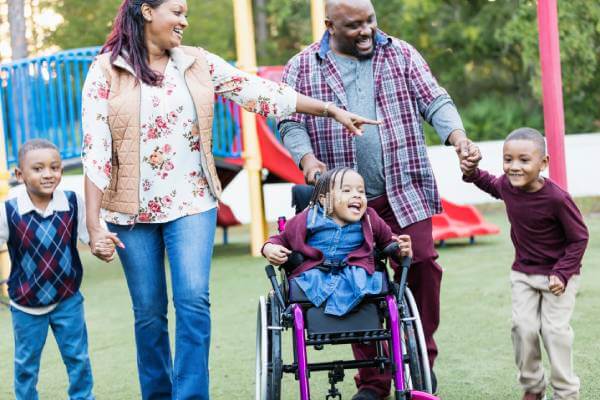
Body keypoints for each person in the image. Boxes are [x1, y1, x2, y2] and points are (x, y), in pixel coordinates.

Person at [81, 1, 380, 398]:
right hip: (128, 211)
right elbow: (96, 147)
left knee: (192, 301)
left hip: (192, 201)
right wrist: (93, 222)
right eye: (177, 12)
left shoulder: (196, 62)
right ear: (147, 12)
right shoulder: (106, 70)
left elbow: (259, 92)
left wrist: (328, 109)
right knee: (149, 314)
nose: (185, 21)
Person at [278, 0, 481, 398]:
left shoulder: (400, 53)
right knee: (351, 282)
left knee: (421, 266)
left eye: (370, 20)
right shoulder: (302, 66)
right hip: (343, 205)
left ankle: (421, 359)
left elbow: (434, 100)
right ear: (330, 26)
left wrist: (458, 138)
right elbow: (289, 120)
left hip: (404, 189)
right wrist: (307, 160)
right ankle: (374, 381)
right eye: (354, 25)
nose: (367, 30)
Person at [462, 128, 588, 400]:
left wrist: (562, 273)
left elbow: (579, 238)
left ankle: (566, 393)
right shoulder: (507, 187)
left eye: (523, 160)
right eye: (508, 160)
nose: (514, 167)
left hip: (559, 276)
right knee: (523, 327)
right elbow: (489, 182)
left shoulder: (557, 199)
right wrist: (472, 172)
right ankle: (533, 386)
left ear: (543, 163)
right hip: (524, 273)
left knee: (554, 331)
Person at [0, 139, 114, 400]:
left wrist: (103, 247)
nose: (48, 174)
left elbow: (91, 237)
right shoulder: (8, 211)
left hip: (68, 299)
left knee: (78, 358)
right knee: (26, 365)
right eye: (38, 169)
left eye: (55, 167)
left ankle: (83, 397)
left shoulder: (73, 203)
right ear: (20, 175)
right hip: (26, 305)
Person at [262, 168, 412, 316]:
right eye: (347, 191)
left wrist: (400, 250)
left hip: (358, 277)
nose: (357, 196)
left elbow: (388, 242)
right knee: (299, 286)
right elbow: (280, 239)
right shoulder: (308, 219)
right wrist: (270, 249)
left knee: (380, 283)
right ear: (323, 199)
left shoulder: (370, 218)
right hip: (316, 276)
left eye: (361, 191)